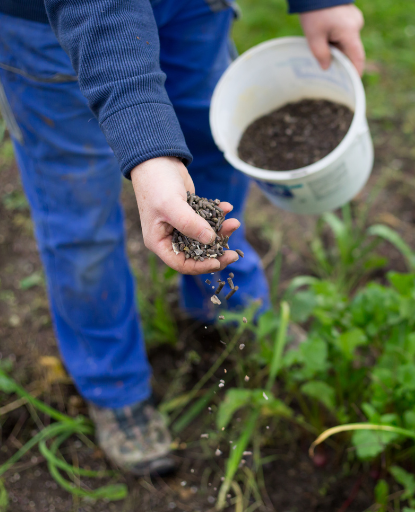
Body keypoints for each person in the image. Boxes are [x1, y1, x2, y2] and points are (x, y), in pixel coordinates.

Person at [0, 0, 365, 475]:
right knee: (78, 214)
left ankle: (226, 305)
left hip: (192, 8)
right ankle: (113, 384)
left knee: (214, 147)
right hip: (52, 22)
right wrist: (148, 148)